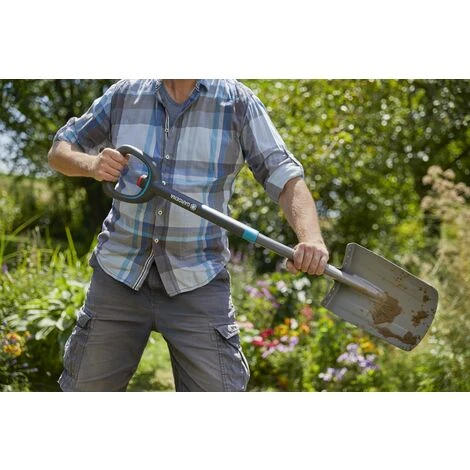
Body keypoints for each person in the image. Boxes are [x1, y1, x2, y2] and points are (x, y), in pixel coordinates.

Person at [48, 79, 329, 392]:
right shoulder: (125, 94)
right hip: (119, 272)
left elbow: (285, 176)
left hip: (198, 278)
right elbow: (60, 149)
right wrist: (92, 164)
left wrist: (311, 239)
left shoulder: (237, 102)